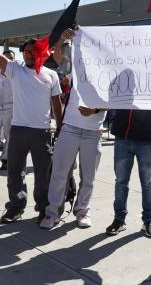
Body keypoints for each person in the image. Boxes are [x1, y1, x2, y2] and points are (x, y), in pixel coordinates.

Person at [0, 11, 63, 224]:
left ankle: (44, 209)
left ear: (40, 53)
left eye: (31, 51)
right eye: (25, 52)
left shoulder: (51, 75)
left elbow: (57, 104)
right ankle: (15, 208)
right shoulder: (15, 70)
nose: (27, 54)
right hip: (18, 130)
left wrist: (61, 128)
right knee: (15, 173)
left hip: (41, 132)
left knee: (43, 175)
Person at [40, 30, 106, 230]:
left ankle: (82, 211)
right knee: (59, 174)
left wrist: (95, 110)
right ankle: (52, 213)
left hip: (93, 131)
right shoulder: (77, 68)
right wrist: (61, 38)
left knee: (89, 177)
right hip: (70, 128)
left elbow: (116, 101)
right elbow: (58, 56)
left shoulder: (110, 73)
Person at [105, 109, 151, 238]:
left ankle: (148, 220)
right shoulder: (121, 86)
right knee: (121, 181)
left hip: (148, 138)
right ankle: (119, 219)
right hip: (123, 136)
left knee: (147, 182)